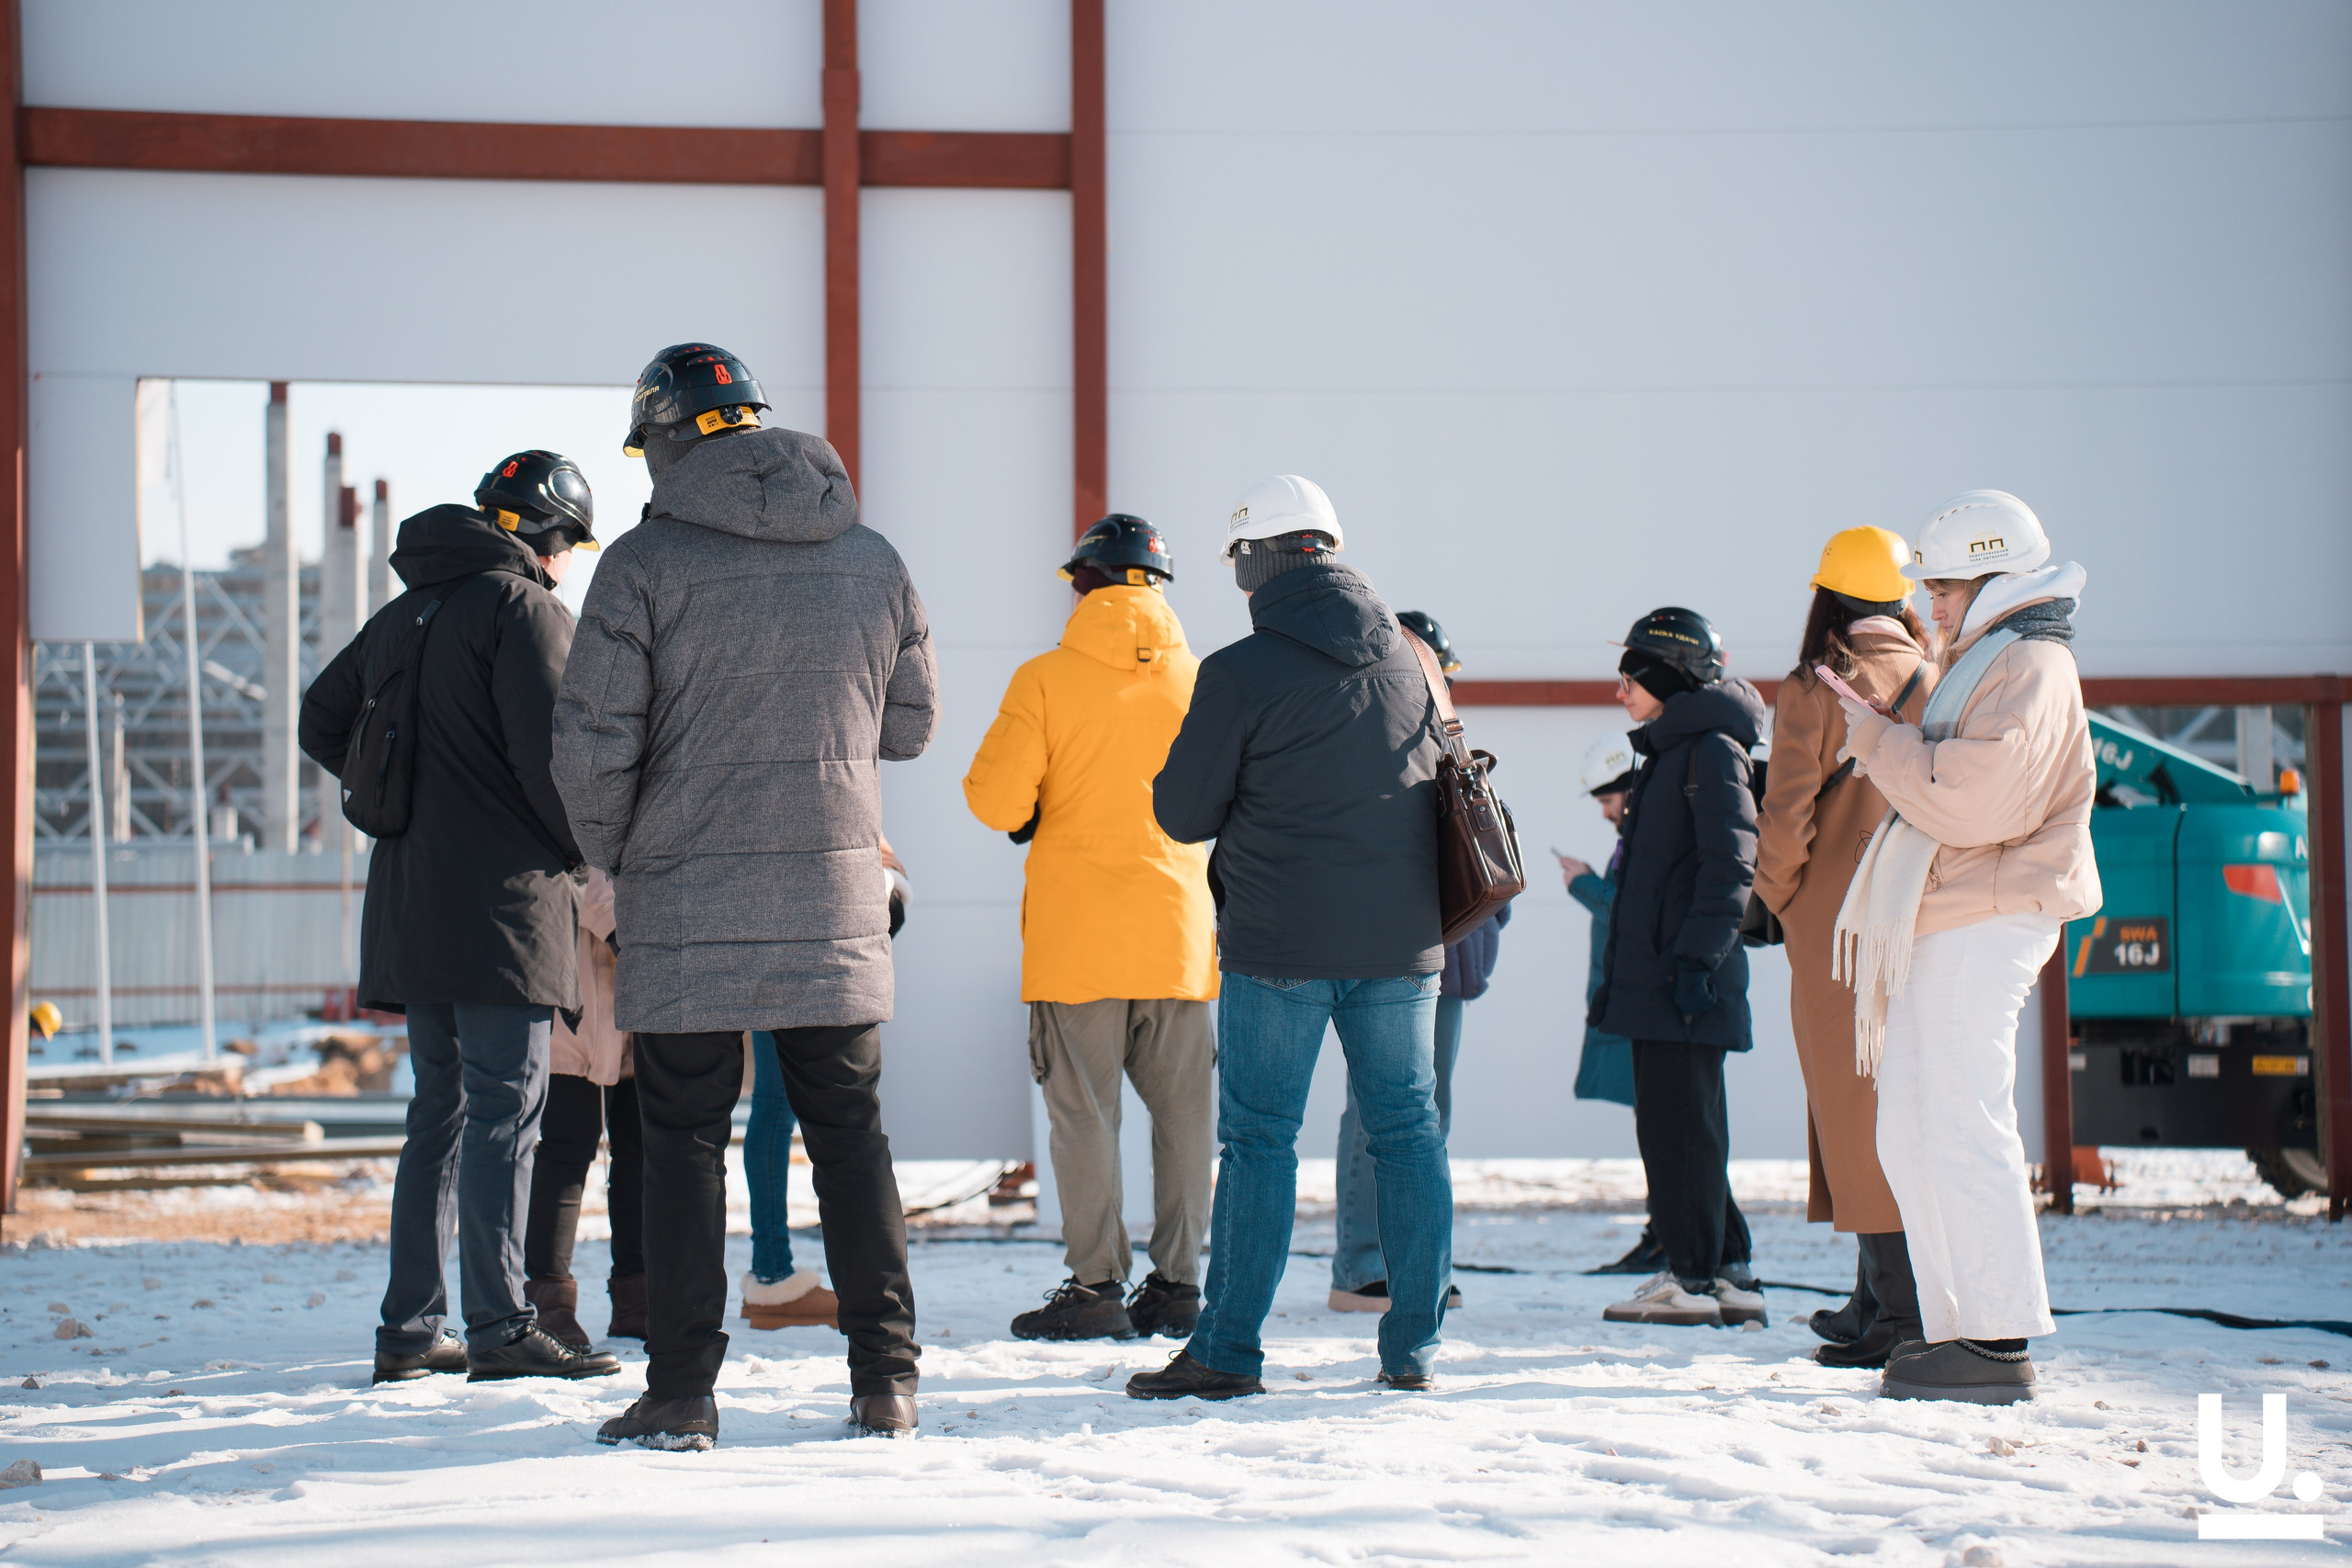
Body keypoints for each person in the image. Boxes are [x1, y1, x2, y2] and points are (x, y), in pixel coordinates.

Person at [552, 344, 938, 1450]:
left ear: (668, 444)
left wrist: (621, 863)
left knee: (678, 1143)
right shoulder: (872, 558)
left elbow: (589, 747)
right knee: (851, 1137)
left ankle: (682, 1394)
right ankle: (885, 1383)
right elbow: (907, 726)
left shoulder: (642, 563)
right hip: (834, 893)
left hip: (684, 899)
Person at [300, 449, 620, 1386]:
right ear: (545, 537)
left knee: (434, 1118)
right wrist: (577, 853)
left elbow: (324, 720)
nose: (567, 567)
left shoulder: (407, 611)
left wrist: (398, 799)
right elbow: (552, 761)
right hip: (503, 910)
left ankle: (409, 1330)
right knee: (505, 1117)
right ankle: (501, 1326)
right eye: (568, 547)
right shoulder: (523, 609)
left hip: (409, 902)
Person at [1130, 474, 1448, 1402]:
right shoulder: (1411, 660)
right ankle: (1413, 1350)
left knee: (1261, 1141)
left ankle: (1227, 1351)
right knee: (1408, 1133)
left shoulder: (1236, 672)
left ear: (1258, 561)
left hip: (1281, 946)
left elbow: (1183, 814)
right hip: (1401, 943)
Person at [1831, 491, 2098, 1404]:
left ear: (1992, 579)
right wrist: (1891, 741)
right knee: (1912, 1128)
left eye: (1944, 588)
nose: (1930, 607)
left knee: (1958, 1122)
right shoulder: (2002, 659)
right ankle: (1957, 1331)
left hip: (1985, 913)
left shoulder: (2026, 663)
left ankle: (1991, 1338)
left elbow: (1970, 801)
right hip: (1957, 913)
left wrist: (1876, 741)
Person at [963, 515, 1219, 1343]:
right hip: (1180, 932)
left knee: (1085, 1116)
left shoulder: (1046, 678)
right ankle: (1179, 1284)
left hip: (1078, 940)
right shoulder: (1202, 681)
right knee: (1184, 1117)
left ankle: (1098, 1284)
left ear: (1083, 583)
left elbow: (997, 802)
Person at [1753, 527, 1937, 1370]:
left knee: (1848, 1104)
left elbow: (1787, 812)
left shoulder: (1813, 685)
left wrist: (1773, 898)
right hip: (1915, 916)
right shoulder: (1936, 676)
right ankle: (1877, 1296)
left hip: (1833, 918)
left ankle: (1898, 1312)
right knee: (1890, 1102)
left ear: (1827, 595)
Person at [1590, 607, 1768, 1330]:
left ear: (1668, 672)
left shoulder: (1709, 750)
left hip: (1682, 979)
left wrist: (1696, 960)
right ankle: (1726, 1270)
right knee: (1686, 1127)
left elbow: (1732, 866)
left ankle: (1690, 1277)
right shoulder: (1674, 747)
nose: (1621, 689)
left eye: (1631, 674)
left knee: (1679, 1131)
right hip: (1663, 976)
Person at [1329, 610, 1494, 1317]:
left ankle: (1420, 1265)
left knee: (1426, 1118)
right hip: (1386, 957)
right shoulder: (1367, 746)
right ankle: (1365, 1265)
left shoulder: (1454, 747)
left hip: (1445, 962)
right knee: (1377, 1111)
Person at [738, 835, 902, 1333]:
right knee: (808, 1113)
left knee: (790, 1111)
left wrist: (885, 888)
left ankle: (780, 1275)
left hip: (801, 939)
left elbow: (885, 859)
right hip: (801, 940)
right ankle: (780, 1278)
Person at [521, 866, 647, 1348]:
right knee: (567, 1153)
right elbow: (589, 883)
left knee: (638, 1155)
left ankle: (637, 1297)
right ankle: (548, 1299)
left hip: (642, 1007)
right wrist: (642, 931)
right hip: (584, 1008)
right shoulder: (592, 791)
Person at [1559, 734, 1662, 1277]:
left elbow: (1634, 910)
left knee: (1665, 1124)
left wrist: (1584, 885)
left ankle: (1670, 1235)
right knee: (1659, 1124)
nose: (1603, 812)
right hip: (1630, 999)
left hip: (1643, 1002)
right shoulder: (1635, 833)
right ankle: (1665, 1231)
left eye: (1606, 800)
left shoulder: (1647, 835)